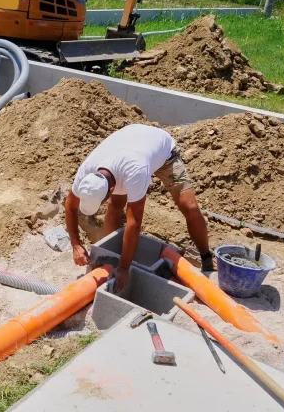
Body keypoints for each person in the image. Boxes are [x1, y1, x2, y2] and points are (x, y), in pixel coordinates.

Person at [65, 124, 213, 291]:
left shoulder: (136, 172)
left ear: (111, 189)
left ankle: (206, 258)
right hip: (128, 148)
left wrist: (123, 268)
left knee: (189, 207)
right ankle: (110, 256)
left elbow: (134, 223)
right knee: (115, 205)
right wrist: (76, 244)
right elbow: (70, 207)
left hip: (163, 153)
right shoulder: (86, 173)